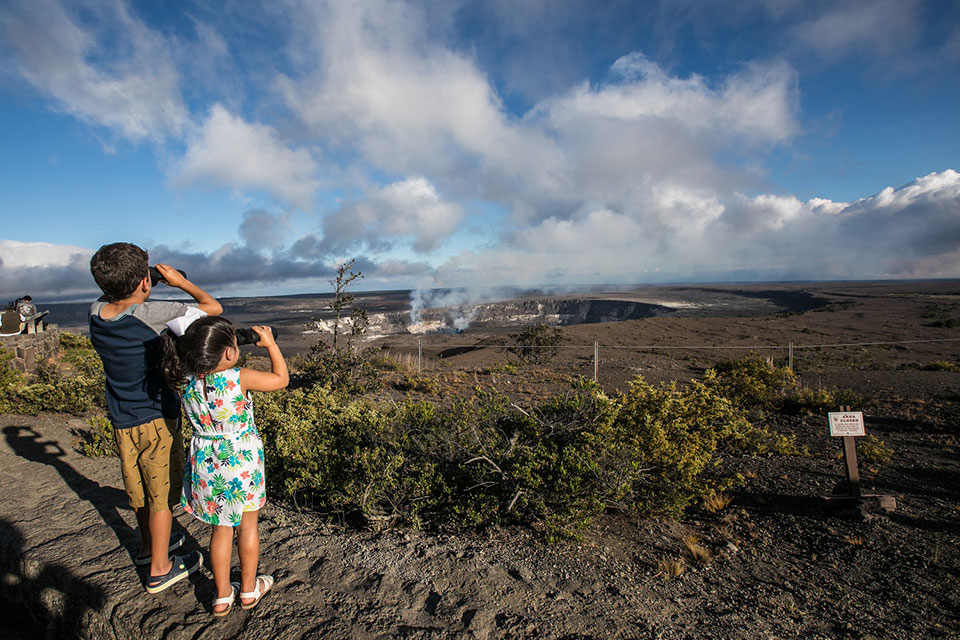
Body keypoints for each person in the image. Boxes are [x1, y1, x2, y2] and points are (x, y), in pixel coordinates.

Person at [88, 242, 222, 593]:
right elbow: (212, 309)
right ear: (145, 283)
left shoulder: (95, 311)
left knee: (139, 490)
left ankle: (149, 549)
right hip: (155, 418)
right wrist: (179, 283)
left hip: (122, 417)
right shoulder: (154, 315)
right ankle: (161, 570)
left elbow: (121, 301)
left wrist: (144, 287)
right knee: (160, 497)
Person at [162, 316, 288, 616]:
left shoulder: (184, 380)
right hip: (241, 460)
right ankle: (248, 589)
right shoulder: (238, 377)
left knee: (221, 530)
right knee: (247, 526)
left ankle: (221, 596)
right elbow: (281, 379)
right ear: (230, 352)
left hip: (207, 460)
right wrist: (270, 344)